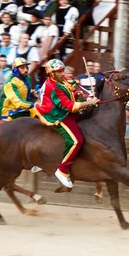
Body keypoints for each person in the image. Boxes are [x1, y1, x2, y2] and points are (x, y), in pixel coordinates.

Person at [33, 59, 99, 188]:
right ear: (51, 73)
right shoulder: (52, 87)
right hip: (57, 115)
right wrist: (89, 103)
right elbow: (70, 106)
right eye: (59, 72)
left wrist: (86, 97)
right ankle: (62, 170)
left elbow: (73, 93)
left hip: (64, 111)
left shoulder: (60, 80)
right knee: (76, 141)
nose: (62, 73)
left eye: (62, 70)